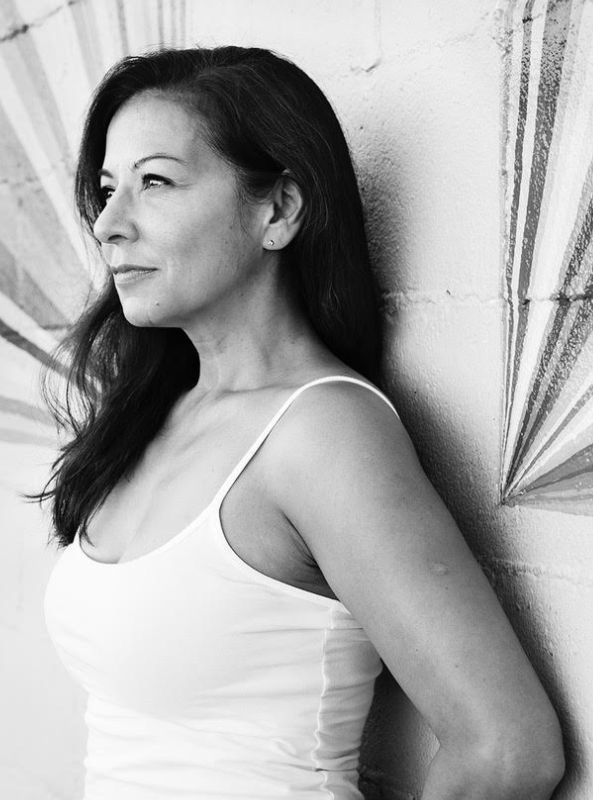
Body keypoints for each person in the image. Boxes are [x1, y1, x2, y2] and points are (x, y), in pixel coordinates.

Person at [36, 47, 563, 799]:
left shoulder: (322, 435)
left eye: (155, 182)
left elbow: (507, 750)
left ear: (278, 209)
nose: (110, 225)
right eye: (108, 188)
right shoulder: (157, 415)